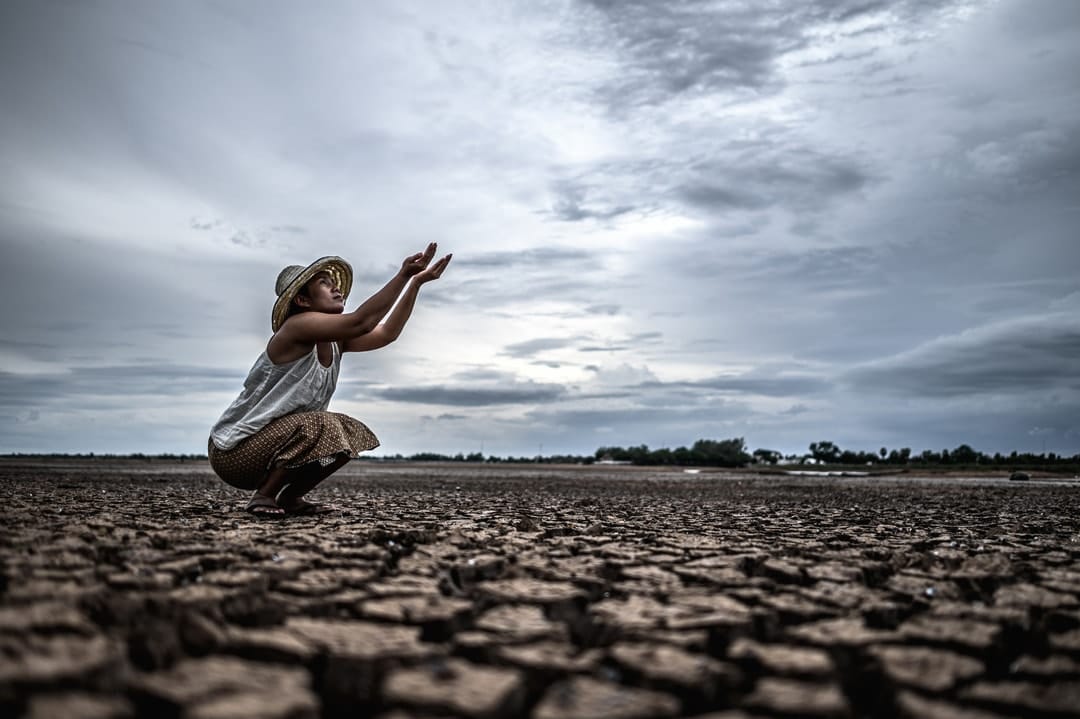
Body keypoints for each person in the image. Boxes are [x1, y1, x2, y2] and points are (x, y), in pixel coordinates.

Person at [208, 243, 452, 516]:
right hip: (235, 452)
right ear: (303, 301)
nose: (336, 289)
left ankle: (290, 497)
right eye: (325, 283)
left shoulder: (337, 341)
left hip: (275, 449)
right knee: (321, 423)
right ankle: (264, 496)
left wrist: (415, 284)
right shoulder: (297, 328)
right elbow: (362, 321)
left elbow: (386, 334)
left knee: (347, 431)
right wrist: (403, 275)